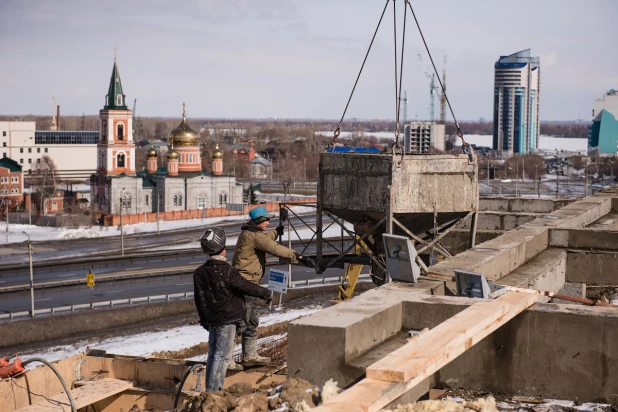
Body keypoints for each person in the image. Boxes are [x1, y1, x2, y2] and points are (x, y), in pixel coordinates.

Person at [231, 206, 313, 368]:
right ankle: (237, 358)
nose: (269, 222)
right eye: (267, 220)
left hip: (243, 283)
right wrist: (297, 256)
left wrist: (277, 232)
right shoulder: (255, 236)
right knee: (246, 322)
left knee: (246, 320)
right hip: (247, 285)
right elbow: (274, 248)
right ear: (259, 221)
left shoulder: (248, 233)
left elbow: (265, 238)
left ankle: (246, 355)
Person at [193, 227, 271, 391]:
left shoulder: (199, 273)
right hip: (227, 320)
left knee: (213, 355)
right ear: (223, 251)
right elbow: (246, 286)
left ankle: (210, 390)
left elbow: (199, 298)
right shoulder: (226, 271)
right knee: (221, 357)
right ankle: (214, 393)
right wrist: (265, 293)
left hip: (212, 320)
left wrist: (204, 320)